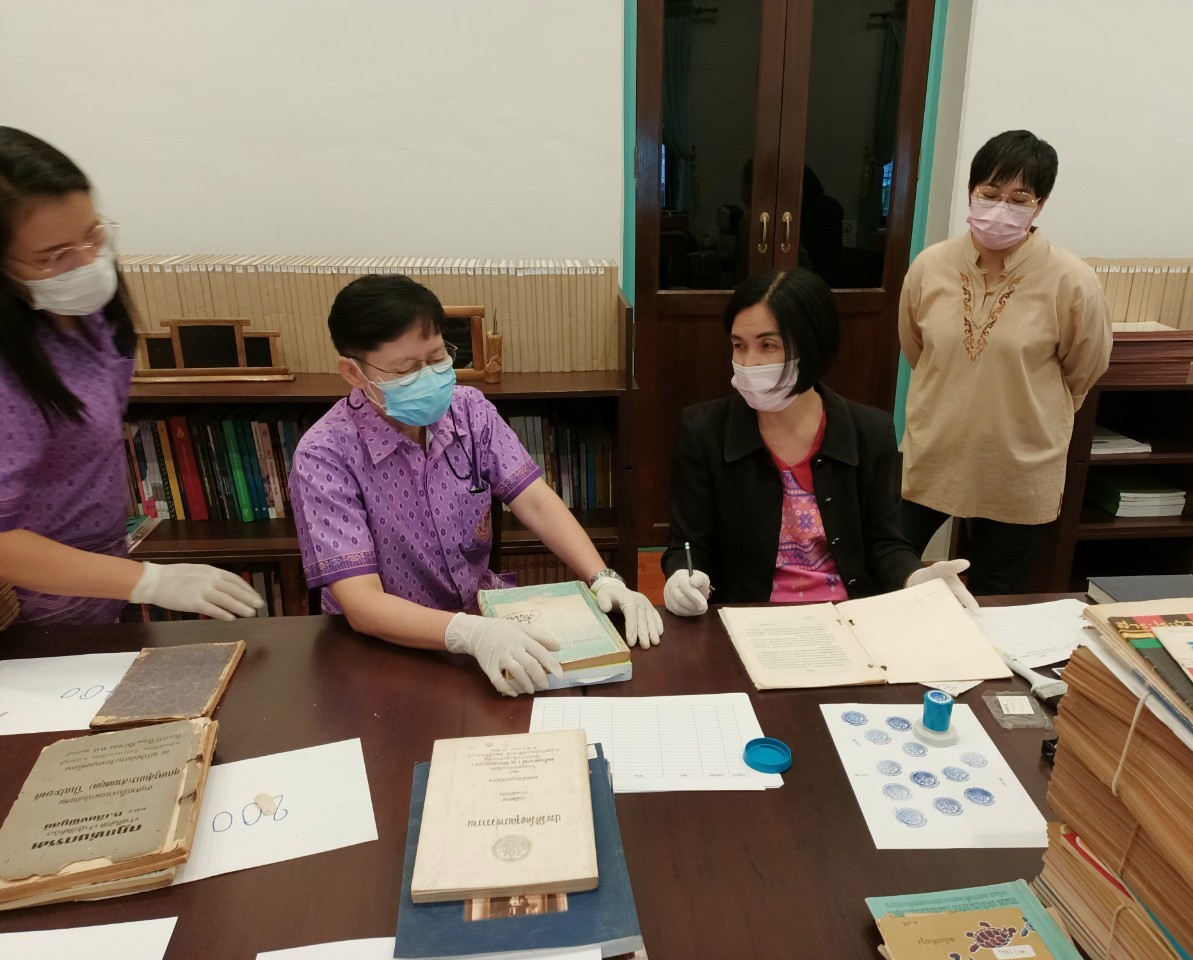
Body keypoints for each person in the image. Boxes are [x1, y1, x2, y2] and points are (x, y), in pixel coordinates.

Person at [288, 275, 662, 696]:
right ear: (353, 372)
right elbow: (362, 603)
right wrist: (470, 633)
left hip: (486, 623)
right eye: (406, 369)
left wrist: (604, 578)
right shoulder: (324, 454)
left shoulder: (468, 410)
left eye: (437, 358)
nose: (428, 377)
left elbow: (536, 501)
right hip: (385, 649)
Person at [0, 127, 263, 625]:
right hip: (33, 601)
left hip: (97, 572)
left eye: (93, 234)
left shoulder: (86, 313)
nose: (87, 262)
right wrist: (149, 582)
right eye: (54, 256)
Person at [660, 267, 976, 616]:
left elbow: (885, 543)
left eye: (768, 345)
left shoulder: (870, 431)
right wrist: (682, 578)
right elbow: (687, 545)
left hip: (848, 615)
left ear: (811, 347)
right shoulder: (703, 430)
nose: (748, 363)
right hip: (750, 617)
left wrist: (915, 577)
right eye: (739, 346)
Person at [898, 130, 1112, 595]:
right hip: (935, 448)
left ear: (1041, 205)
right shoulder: (930, 266)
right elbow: (917, 349)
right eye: (990, 193)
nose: (1000, 208)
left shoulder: (1072, 280)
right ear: (970, 191)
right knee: (889, 570)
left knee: (997, 595)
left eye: (1019, 199)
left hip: (1019, 463)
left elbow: (1084, 369)